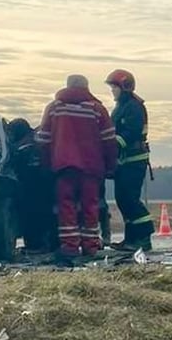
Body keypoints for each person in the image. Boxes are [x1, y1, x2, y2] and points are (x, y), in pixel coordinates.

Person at [36, 75, 118, 262]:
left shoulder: (55, 108)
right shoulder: (97, 109)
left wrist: (45, 164)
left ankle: (70, 246)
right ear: (86, 87)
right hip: (91, 167)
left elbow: (43, 139)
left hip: (63, 166)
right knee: (90, 206)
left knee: (66, 207)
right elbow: (109, 140)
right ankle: (90, 246)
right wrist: (111, 166)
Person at [105, 69, 155, 251]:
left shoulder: (134, 107)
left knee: (130, 199)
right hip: (124, 161)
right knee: (123, 199)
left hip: (134, 160)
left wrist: (113, 144)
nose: (112, 91)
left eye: (114, 87)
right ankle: (131, 239)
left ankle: (143, 235)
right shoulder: (122, 106)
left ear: (124, 87)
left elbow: (130, 132)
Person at [6, 117, 56, 253]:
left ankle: (37, 246)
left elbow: (20, 169)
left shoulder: (23, 147)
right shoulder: (36, 141)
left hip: (31, 188)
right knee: (46, 216)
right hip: (47, 186)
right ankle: (44, 244)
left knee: (32, 216)